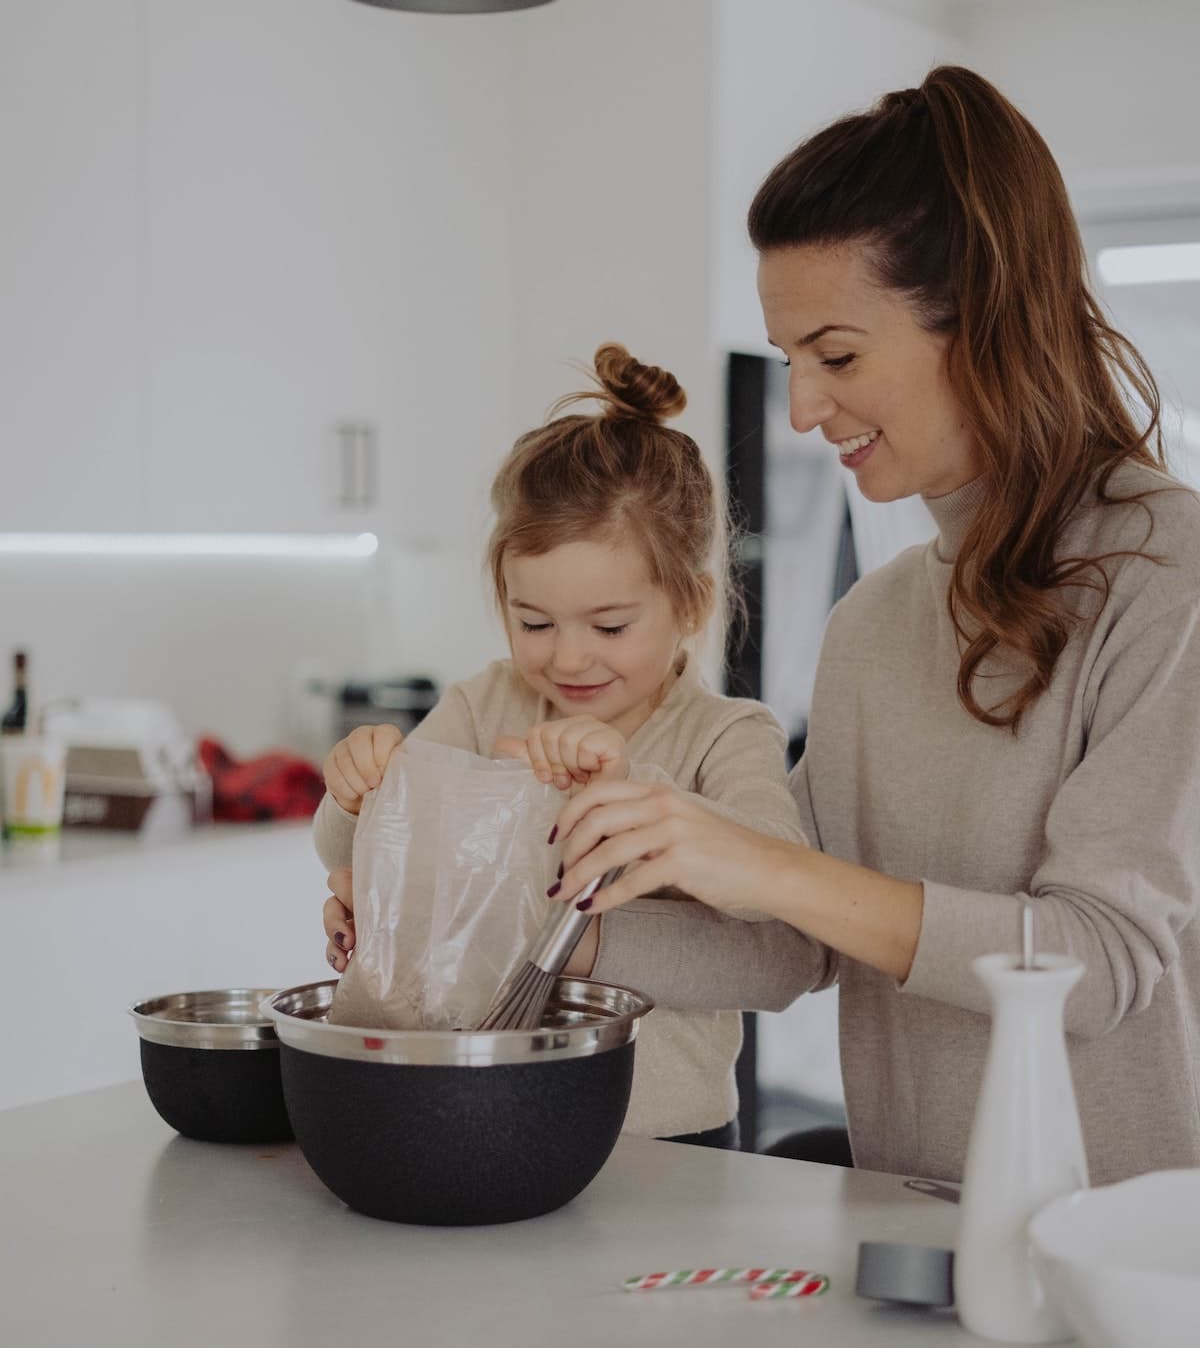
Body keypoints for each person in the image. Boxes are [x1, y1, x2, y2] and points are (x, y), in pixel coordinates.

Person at [549, 66, 1200, 1188]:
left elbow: (1098, 964)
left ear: (985, 320)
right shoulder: (876, 620)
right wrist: (523, 917)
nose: (803, 409)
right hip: (915, 1244)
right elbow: (789, 944)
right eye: (793, 360)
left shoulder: (1166, 577)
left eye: (837, 357)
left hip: (1127, 1270)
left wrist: (759, 860)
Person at [314, 343, 805, 1148]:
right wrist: (357, 790)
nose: (567, 659)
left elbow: (774, 908)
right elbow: (350, 853)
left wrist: (631, 791)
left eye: (609, 626)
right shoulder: (486, 702)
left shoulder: (726, 736)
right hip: (481, 1112)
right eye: (533, 623)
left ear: (691, 605)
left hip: (666, 1144)